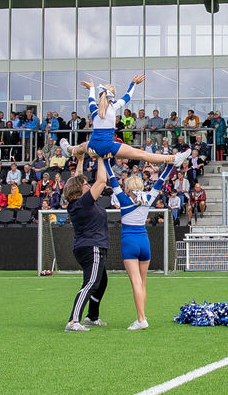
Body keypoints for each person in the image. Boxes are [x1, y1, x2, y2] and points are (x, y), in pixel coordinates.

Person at [102, 158, 172, 330]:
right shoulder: (148, 197)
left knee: (135, 283)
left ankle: (141, 319)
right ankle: (142, 316)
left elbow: (111, 179)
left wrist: (105, 161)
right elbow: (161, 181)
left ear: (128, 188)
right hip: (144, 241)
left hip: (130, 242)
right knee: (143, 282)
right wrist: (171, 165)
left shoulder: (124, 200)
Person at [60, 76, 190, 170]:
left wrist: (92, 88)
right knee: (142, 154)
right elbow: (128, 96)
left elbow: (90, 99)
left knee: (82, 146)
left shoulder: (94, 109)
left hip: (94, 144)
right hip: (107, 145)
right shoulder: (113, 107)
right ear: (112, 96)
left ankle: (68, 149)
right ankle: (174, 159)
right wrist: (133, 83)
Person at [63, 157, 110, 331]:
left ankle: (92, 316)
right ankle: (74, 321)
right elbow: (102, 180)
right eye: (85, 184)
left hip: (89, 246)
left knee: (101, 282)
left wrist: (81, 158)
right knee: (91, 283)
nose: (89, 185)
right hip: (92, 246)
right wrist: (100, 157)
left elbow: (78, 179)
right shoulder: (83, 203)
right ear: (79, 189)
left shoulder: (79, 203)